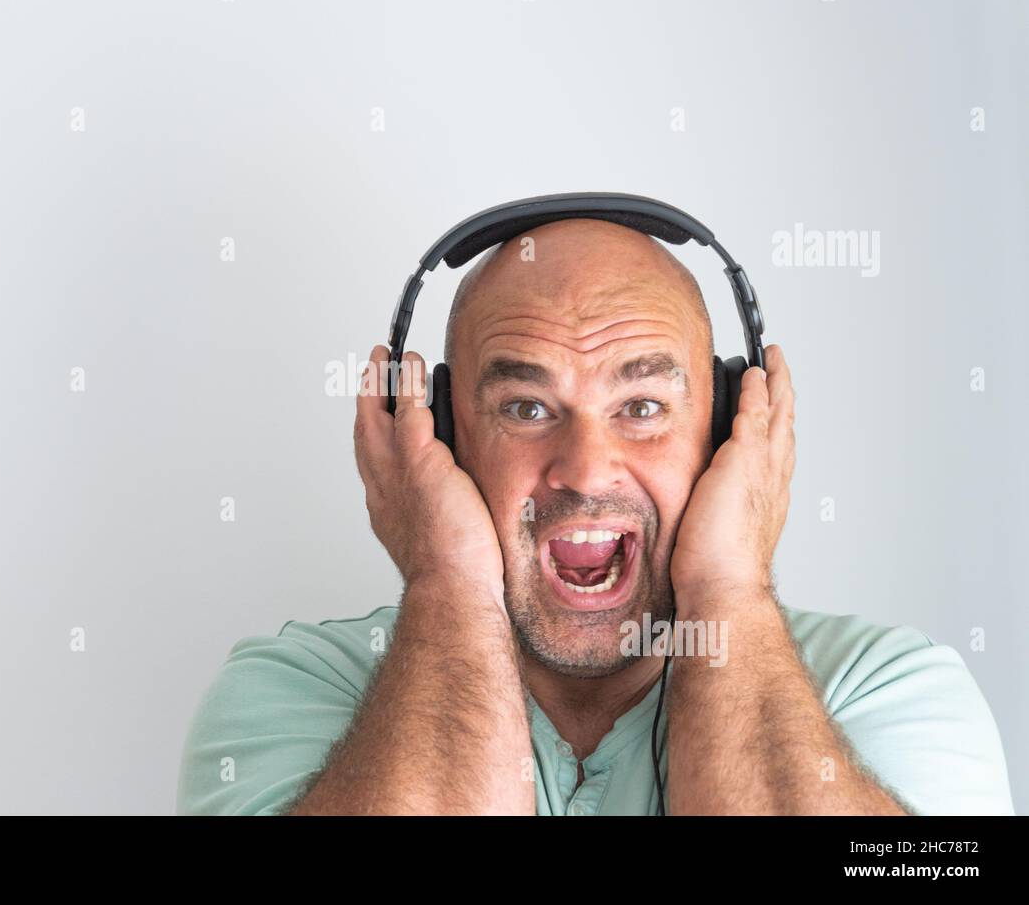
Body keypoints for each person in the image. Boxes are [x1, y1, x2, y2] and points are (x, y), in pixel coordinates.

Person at [176, 218, 1015, 815]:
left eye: (643, 404)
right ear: (435, 433)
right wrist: (447, 583)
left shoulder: (894, 691)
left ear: (728, 431)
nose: (585, 470)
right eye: (526, 408)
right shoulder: (288, 690)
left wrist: (728, 586)